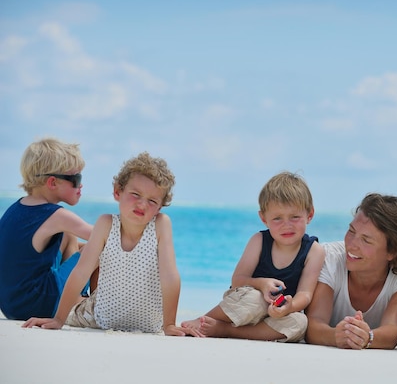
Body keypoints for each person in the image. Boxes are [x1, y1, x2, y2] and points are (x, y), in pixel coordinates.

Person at [23, 152, 198, 337]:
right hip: (99, 317)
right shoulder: (106, 224)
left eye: (152, 200)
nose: (142, 204)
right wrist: (58, 319)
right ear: (117, 192)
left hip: (149, 323)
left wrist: (169, 324)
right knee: (78, 305)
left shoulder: (161, 225)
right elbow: (81, 272)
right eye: (135, 194)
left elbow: (170, 276)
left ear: (159, 208)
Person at [182, 171, 325, 342]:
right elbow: (237, 280)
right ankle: (203, 320)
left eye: (294, 217)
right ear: (264, 218)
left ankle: (227, 330)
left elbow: (305, 294)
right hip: (248, 303)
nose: (287, 225)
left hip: (278, 312)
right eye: (277, 218)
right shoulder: (259, 241)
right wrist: (261, 284)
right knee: (256, 300)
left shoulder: (314, 250)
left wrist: (289, 306)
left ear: (309, 215)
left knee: (300, 322)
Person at [305, 193, 397, 349]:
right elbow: (313, 324)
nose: (352, 244)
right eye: (352, 231)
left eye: (366, 240)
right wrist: (336, 336)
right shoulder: (330, 258)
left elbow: (393, 331)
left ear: (392, 251)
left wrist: (367, 337)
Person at [0, 137, 93, 320]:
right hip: (39, 304)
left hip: (12, 306)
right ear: (52, 183)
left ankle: (76, 297)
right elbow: (105, 236)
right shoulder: (56, 215)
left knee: (69, 235)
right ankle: (93, 306)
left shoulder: (15, 210)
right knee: (99, 248)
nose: (80, 185)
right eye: (76, 178)